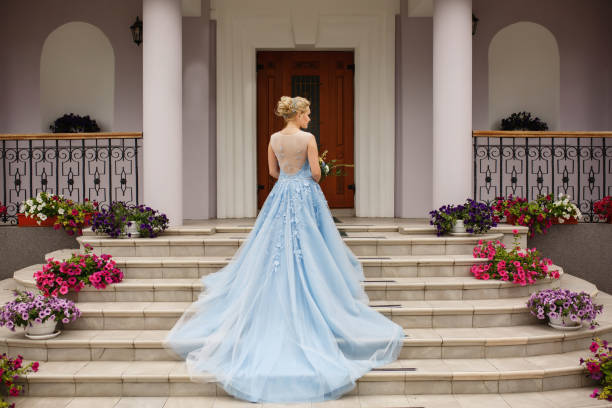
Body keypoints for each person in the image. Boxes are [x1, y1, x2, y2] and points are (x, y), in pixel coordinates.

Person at [164, 96, 405, 403]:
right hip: (305, 194)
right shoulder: (308, 138)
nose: (309, 118)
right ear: (298, 114)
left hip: (282, 194)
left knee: (275, 243)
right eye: (307, 113)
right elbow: (317, 173)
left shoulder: (274, 138)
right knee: (312, 245)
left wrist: (292, 176)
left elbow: (273, 173)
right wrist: (315, 174)